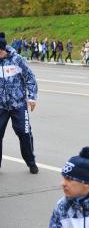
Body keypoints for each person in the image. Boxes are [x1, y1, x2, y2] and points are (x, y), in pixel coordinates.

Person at [0, 33, 39, 174]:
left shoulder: (17, 60)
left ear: (3, 50)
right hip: (1, 106)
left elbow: (30, 77)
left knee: (24, 133)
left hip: (18, 104)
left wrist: (32, 98)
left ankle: (31, 162)